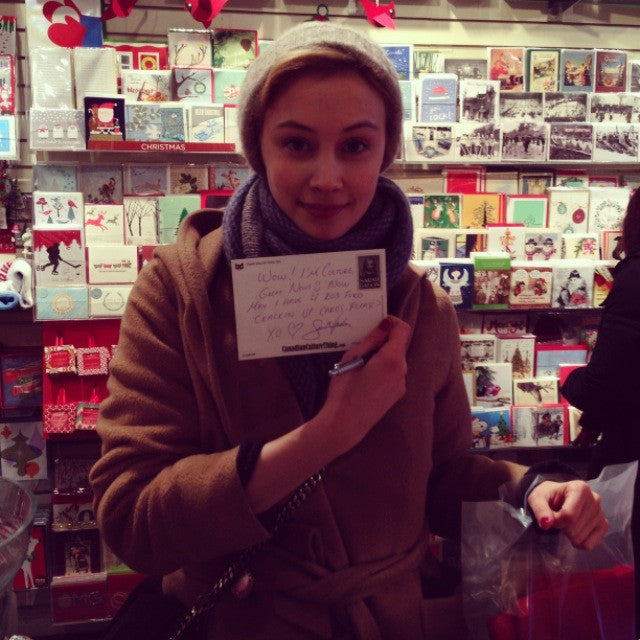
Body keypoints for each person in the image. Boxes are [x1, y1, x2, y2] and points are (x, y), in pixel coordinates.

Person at [90, 22, 607, 639]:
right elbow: (131, 517)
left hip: (385, 623)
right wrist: (329, 433)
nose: (328, 179)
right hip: (242, 621)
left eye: (355, 147)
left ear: (385, 150)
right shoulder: (180, 294)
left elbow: (442, 478)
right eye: (298, 145)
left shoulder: (421, 306)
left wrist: (533, 491)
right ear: (259, 148)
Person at [561, 186, 640, 635]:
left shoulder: (633, 278)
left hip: (630, 457)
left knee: (614, 579)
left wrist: (569, 382)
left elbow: (606, 384)